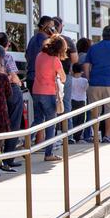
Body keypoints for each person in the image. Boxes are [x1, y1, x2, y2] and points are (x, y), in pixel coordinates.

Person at [32, 34, 67, 162]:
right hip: (49, 93)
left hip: (36, 91)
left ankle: (26, 142)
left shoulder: (39, 55)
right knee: (51, 124)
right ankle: (49, 153)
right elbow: (63, 78)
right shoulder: (55, 60)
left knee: (37, 120)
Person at [0, 32, 24, 168]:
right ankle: (9, 158)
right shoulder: (7, 56)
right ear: (8, 44)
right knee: (14, 123)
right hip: (11, 90)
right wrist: (19, 82)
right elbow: (14, 77)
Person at [54, 17, 77, 116]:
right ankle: (67, 130)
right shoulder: (66, 40)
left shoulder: (45, 40)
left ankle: (51, 131)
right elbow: (75, 59)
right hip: (64, 75)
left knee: (51, 107)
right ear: (59, 26)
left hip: (48, 76)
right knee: (66, 106)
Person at [68, 63, 90, 142]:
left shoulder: (70, 80)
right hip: (82, 101)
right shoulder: (84, 80)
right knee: (81, 120)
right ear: (81, 71)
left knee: (73, 119)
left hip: (72, 100)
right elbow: (86, 89)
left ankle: (72, 135)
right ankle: (78, 135)